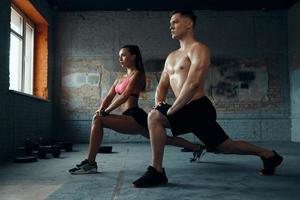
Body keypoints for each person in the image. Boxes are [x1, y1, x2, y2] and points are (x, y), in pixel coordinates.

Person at [132, 10, 283, 188]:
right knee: (225, 146)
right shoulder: (171, 57)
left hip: (199, 108)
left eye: (176, 21)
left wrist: (170, 110)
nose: (171, 25)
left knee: (154, 117)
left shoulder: (199, 49)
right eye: (170, 23)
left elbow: (193, 84)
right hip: (184, 109)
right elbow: (162, 86)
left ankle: (156, 172)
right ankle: (269, 155)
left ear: (189, 24)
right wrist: (159, 103)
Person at [69, 45, 205, 174]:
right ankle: (198, 148)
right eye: (119, 56)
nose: (120, 58)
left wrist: (107, 111)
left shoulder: (138, 74)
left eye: (123, 55)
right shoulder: (119, 78)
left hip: (135, 116)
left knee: (98, 120)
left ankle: (90, 164)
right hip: (128, 116)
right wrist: (101, 109)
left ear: (133, 56)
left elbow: (126, 95)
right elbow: (108, 97)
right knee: (165, 139)